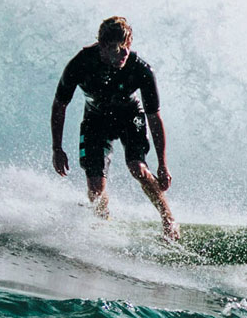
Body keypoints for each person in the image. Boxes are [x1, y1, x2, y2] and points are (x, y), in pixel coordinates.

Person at [50, 16, 178, 241]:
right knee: (95, 186)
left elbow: (154, 118)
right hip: (95, 120)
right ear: (102, 46)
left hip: (130, 117)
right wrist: (57, 148)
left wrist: (163, 164)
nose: (124, 53)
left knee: (138, 167)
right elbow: (60, 105)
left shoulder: (141, 70)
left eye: (127, 47)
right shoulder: (80, 64)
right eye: (118, 48)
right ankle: (103, 228)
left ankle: (168, 219)